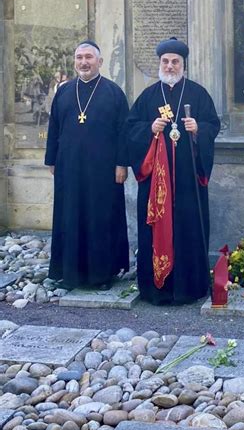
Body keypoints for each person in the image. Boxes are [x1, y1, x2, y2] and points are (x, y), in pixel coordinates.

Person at [127, 38, 220, 305]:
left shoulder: (198, 93)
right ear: (160, 64)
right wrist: (149, 129)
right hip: (157, 185)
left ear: (183, 65)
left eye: (175, 62)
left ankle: (190, 288)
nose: (170, 66)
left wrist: (198, 129)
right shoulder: (148, 96)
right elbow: (130, 129)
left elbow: (213, 125)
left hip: (188, 181)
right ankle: (156, 289)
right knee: (156, 230)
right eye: (165, 61)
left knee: (188, 229)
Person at [45, 41, 130, 289]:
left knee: (100, 219)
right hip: (69, 168)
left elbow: (123, 132)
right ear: (74, 61)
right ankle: (69, 274)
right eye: (80, 57)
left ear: (99, 62)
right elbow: (54, 128)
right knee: (69, 218)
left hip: (103, 171)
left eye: (89, 57)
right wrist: (51, 159)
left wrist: (122, 164)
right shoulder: (63, 91)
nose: (84, 62)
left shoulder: (114, 93)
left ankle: (102, 275)